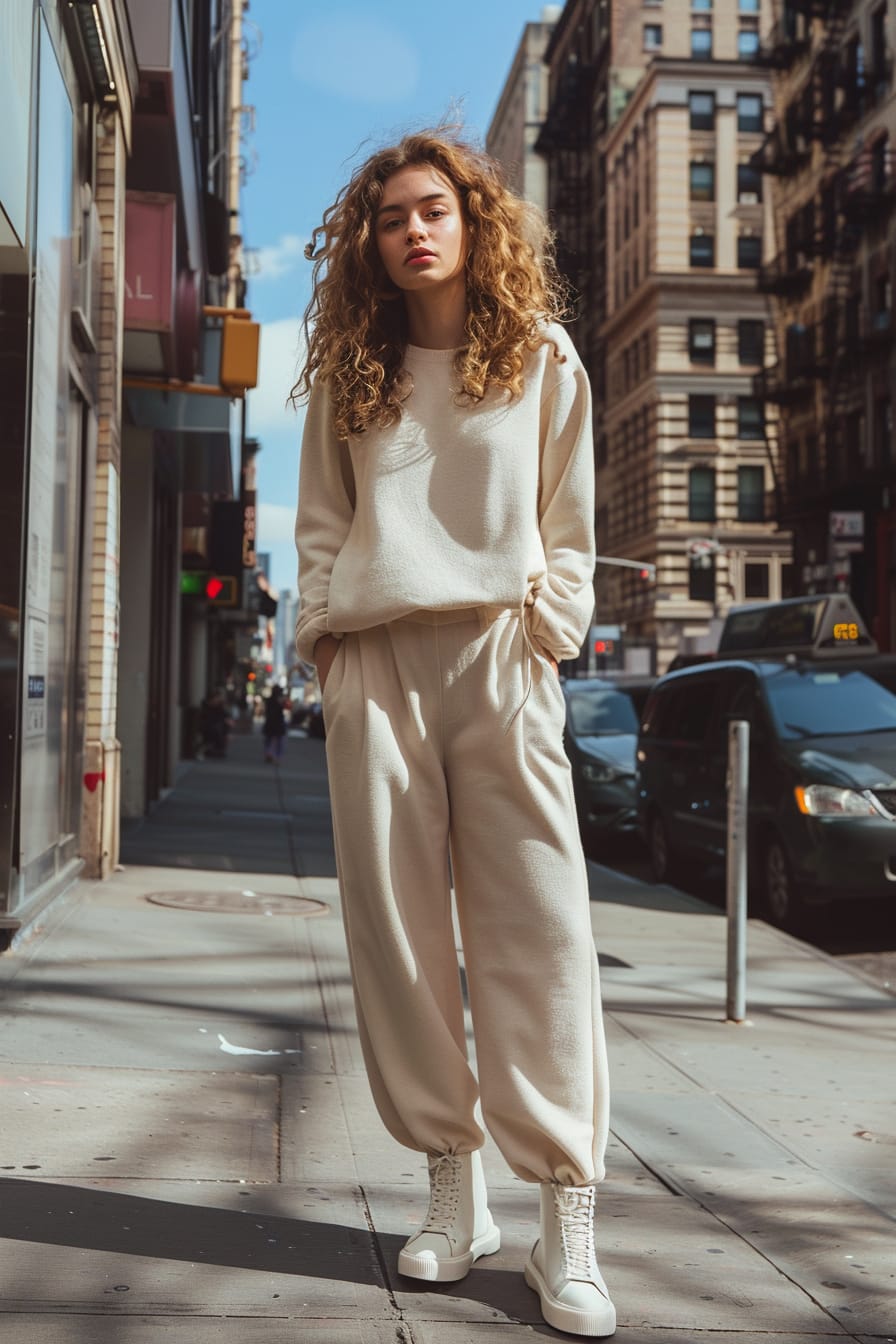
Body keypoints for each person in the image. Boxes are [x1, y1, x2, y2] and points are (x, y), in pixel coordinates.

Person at [293, 130, 615, 1338]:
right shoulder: (354, 369)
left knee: (540, 931)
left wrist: (550, 626)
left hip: (498, 653)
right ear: (369, 244)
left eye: (435, 209)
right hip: (376, 660)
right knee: (396, 937)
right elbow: (322, 521)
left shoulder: (538, 357)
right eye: (390, 217)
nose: (415, 230)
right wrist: (325, 637)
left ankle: (563, 1218)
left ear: (474, 223)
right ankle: (451, 1190)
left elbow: (567, 522)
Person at [263, 685, 287, 763]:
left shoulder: (269, 700)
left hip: (271, 722)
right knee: (279, 740)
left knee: (270, 739)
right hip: (277, 723)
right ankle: (276, 756)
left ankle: (269, 753)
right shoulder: (278, 700)